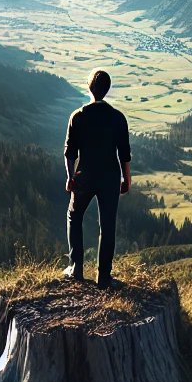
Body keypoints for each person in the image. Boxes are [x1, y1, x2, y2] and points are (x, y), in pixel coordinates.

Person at [63, 69, 131, 289]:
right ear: (108, 89)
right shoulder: (118, 118)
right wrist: (126, 179)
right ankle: (104, 277)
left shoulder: (78, 116)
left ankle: (76, 269)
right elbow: (124, 153)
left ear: (88, 87)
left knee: (74, 216)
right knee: (108, 225)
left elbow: (69, 151)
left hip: (84, 175)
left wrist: (70, 176)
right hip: (110, 177)